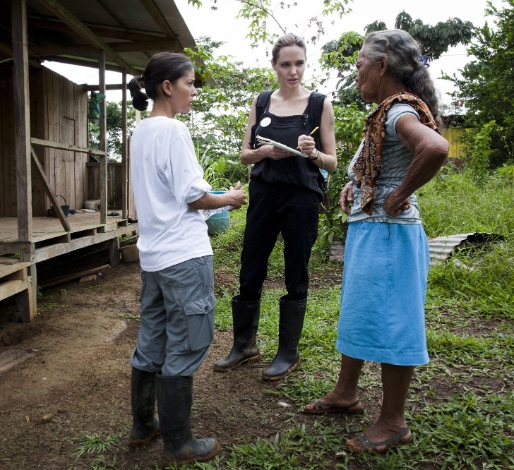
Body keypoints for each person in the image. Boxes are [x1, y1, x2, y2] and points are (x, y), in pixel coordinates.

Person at [303, 29, 449, 453]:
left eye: (360, 67)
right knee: (361, 311)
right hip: (374, 231)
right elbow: (379, 166)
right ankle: (346, 392)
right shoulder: (388, 111)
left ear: (382, 65)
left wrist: (398, 194)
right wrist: (357, 185)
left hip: (389, 234)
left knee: (392, 321)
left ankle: (393, 421)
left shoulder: (398, 110)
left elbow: (436, 149)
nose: (356, 77)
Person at [126, 52, 247, 466]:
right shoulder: (174, 132)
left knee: (152, 339)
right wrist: (230, 198)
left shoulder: (140, 132)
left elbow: (166, 194)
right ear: (167, 87)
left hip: (154, 256)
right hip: (184, 256)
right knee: (189, 339)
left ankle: (143, 426)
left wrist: (213, 199)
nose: (194, 91)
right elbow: (194, 197)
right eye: (190, 83)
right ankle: (178, 443)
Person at [213, 33, 337, 381]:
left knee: (296, 270)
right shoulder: (262, 100)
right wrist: (262, 152)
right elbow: (244, 154)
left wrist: (313, 153)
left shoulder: (319, 104)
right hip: (264, 194)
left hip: (301, 197)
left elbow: (333, 162)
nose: (293, 71)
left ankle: (288, 352)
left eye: (299, 63)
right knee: (251, 265)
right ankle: (244, 345)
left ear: (305, 64)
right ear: (274, 66)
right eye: (286, 64)